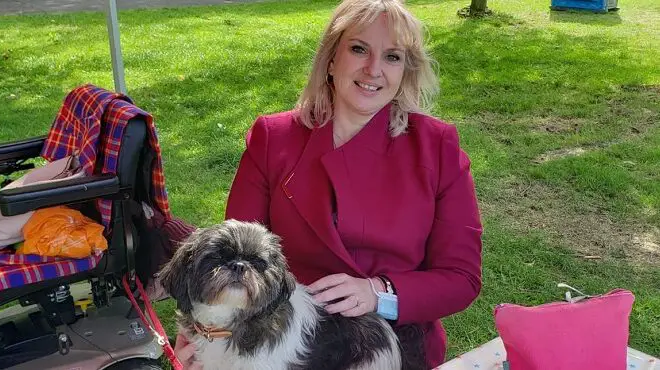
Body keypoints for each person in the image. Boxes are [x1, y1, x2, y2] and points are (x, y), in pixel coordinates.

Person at [174, 0, 483, 368]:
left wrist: (378, 292)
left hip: (397, 344)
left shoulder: (438, 148)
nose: (374, 69)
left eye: (393, 57)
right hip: (283, 347)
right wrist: (199, 329)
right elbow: (235, 252)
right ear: (331, 59)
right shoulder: (273, 138)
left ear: (406, 70)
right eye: (358, 49)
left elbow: (461, 278)